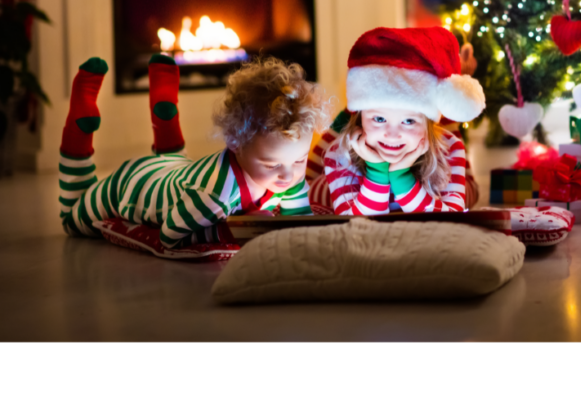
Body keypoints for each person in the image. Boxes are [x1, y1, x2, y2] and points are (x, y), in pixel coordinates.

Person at [58, 55, 330, 252]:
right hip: (132, 184)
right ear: (235, 143)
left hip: (177, 169)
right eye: (271, 165)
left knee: (176, 160)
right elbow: (169, 235)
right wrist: (233, 228)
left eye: (299, 159)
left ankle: (165, 111)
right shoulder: (215, 196)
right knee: (72, 217)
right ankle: (77, 131)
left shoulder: (289, 172)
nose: (288, 174)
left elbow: (299, 222)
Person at [308, 27, 485, 215]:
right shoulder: (338, 156)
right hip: (325, 189)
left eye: (408, 121)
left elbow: (452, 221)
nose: (392, 135)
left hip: (432, 141)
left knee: (469, 190)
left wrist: (402, 178)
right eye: (379, 118)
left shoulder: (451, 148)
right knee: (314, 186)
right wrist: (377, 173)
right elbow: (355, 227)